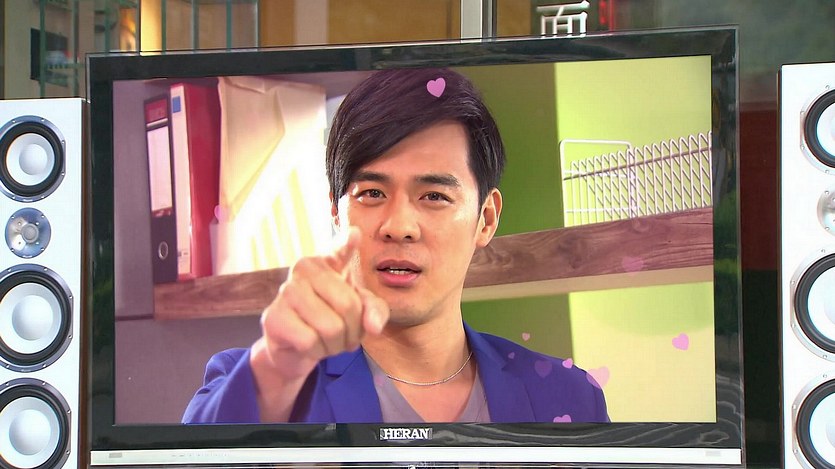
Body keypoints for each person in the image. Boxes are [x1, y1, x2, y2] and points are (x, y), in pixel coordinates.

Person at [182, 68, 608, 424]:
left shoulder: (568, 399)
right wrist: (274, 369)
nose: (399, 227)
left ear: (486, 219)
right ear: (335, 212)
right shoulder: (267, 384)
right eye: (372, 193)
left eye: (434, 196)